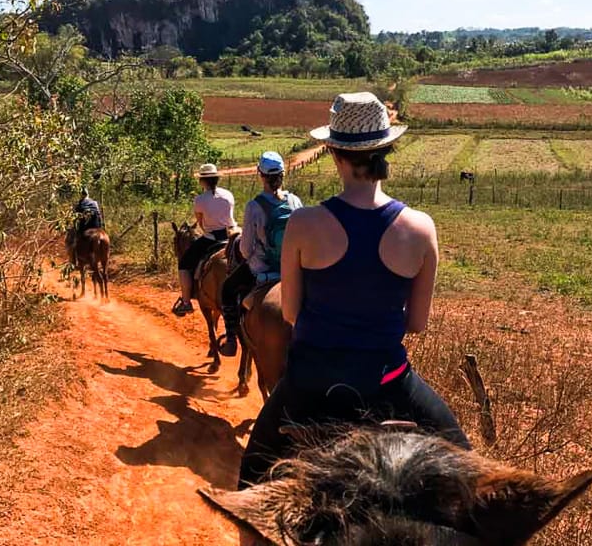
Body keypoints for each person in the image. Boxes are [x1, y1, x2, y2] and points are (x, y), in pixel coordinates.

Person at [238, 92, 469, 488]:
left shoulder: (305, 223)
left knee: (248, 481)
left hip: (310, 382)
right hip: (389, 382)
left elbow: (291, 313)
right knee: (469, 471)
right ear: (387, 150)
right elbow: (416, 323)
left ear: (332, 152)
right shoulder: (421, 227)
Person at [220, 152, 303, 356]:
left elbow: (246, 249)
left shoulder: (254, 206)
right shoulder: (296, 202)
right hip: (294, 272)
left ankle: (231, 340)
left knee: (227, 289)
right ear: (283, 174)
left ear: (261, 175)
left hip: (263, 271)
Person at [174, 163, 236, 316]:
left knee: (184, 264)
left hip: (211, 239)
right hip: (231, 235)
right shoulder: (228, 194)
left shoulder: (200, 200)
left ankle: (186, 302)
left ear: (203, 181)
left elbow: (201, 223)